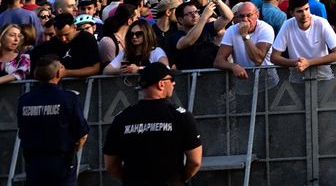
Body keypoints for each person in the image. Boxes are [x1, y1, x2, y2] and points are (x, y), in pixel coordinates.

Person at [103, 63, 203, 185]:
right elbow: (195, 161)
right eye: (171, 79)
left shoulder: (122, 118)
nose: (174, 83)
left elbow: (110, 165)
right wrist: (179, 180)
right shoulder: (181, 116)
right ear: (161, 84)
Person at [17, 56, 89, 186]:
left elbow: (22, 132)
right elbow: (82, 133)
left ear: (36, 74)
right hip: (61, 162)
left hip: (34, 164)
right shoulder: (68, 98)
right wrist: (73, 151)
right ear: (58, 73)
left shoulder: (25, 100)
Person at [270, 0, 336, 82]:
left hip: (323, 78)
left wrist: (308, 63)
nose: (304, 14)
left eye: (306, 9)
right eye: (299, 11)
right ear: (292, 13)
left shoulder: (321, 23)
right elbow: (274, 57)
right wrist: (296, 63)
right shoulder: (287, 25)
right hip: (297, 79)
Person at [214, 1, 279, 89]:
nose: (245, 19)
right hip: (244, 81)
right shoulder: (231, 30)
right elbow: (218, 61)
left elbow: (258, 60)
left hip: (267, 80)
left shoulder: (266, 29)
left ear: (257, 15)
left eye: (249, 15)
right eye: (241, 16)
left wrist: (245, 36)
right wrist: (233, 66)